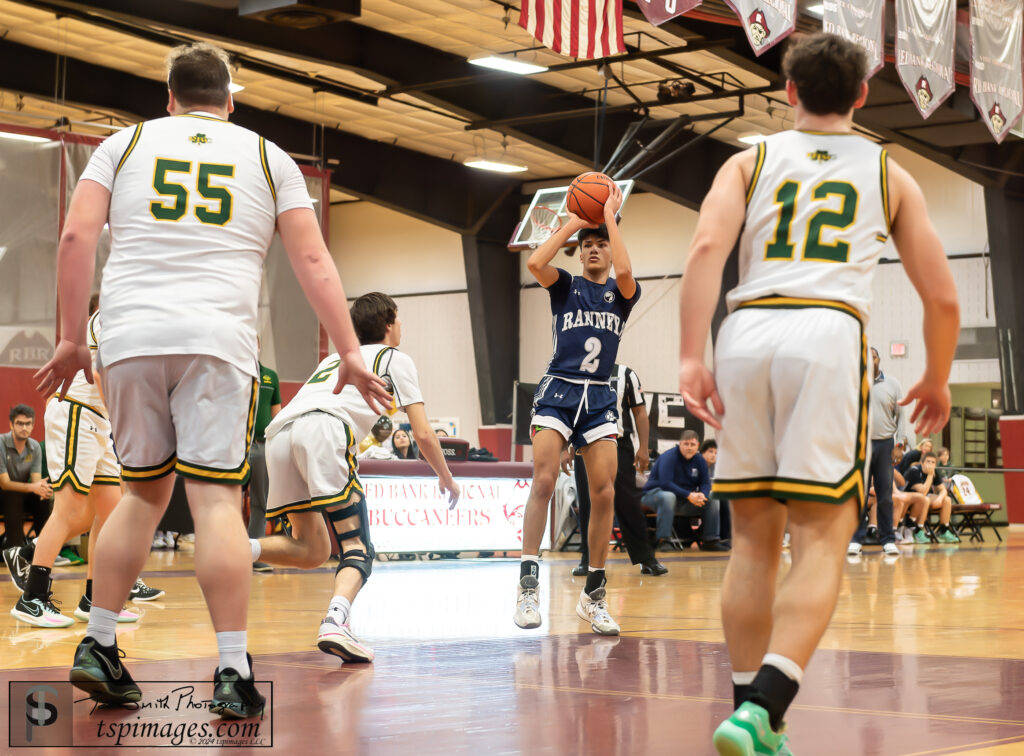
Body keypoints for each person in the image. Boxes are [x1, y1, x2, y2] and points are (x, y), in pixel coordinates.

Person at [35, 41, 390, 716]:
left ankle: (99, 643)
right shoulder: (266, 155)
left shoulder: (123, 146)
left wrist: (70, 339)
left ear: (167, 97)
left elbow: (76, 238)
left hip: (129, 334)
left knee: (140, 496)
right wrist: (347, 350)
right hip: (217, 344)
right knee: (216, 505)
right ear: (231, 100)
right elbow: (312, 258)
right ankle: (230, 670)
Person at [677, 33, 959, 755]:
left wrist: (690, 357)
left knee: (752, 543)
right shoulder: (890, 171)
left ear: (789, 91)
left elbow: (707, 250)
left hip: (745, 332)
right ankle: (764, 706)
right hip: (828, 336)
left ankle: (755, 716)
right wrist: (935, 375)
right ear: (863, 94)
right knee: (823, 539)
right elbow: (943, 298)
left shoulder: (751, 159)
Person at [250, 292, 459, 662]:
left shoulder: (334, 358)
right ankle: (335, 621)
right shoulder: (395, 358)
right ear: (391, 321)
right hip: (323, 431)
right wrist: (446, 477)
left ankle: (239, 550)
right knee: (358, 549)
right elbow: (423, 433)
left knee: (314, 549)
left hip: (279, 437)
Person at [514, 183, 639, 636]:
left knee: (604, 491)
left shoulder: (623, 293)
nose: (593, 249)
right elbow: (534, 262)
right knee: (544, 479)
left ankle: (595, 594)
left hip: (600, 395)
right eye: (586, 246)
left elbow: (625, 269)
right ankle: (528, 584)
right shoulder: (564, 286)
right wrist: (576, 221)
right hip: (559, 391)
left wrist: (607, 218)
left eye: (600, 244)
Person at [6, 297, 164, 629]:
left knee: (109, 512)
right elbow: (99, 373)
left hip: (98, 419)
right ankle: (32, 597)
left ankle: (95, 598)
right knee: (69, 509)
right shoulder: (112, 315)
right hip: (79, 412)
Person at [569, 362, 667, 577]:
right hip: (585, 443)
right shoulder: (576, 371)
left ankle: (646, 558)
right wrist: (565, 445)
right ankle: (588, 558)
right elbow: (569, 412)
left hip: (619, 443)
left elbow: (639, 412)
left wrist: (642, 447)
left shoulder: (626, 374)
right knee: (587, 501)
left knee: (628, 502)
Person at [848, 347, 912, 557]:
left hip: (886, 445)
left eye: (872, 356)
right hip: (860, 445)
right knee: (859, 494)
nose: (869, 360)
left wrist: (899, 446)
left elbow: (901, 417)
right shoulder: (854, 383)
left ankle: (887, 540)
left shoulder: (892, 384)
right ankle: (855, 539)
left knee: (885, 495)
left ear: (878, 359)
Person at [641, 431, 725, 551]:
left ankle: (710, 540)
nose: (689, 448)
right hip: (653, 496)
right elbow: (666, 483)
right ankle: (663, 540)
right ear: (680, 444)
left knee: (712, 498)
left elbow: (705, 483)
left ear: (698, 445)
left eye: (692, 444)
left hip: (682, 500)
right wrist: (689, 495)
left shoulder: (699, 460)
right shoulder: (668, 457)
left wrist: (702, 494)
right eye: (686, 444)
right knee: (668, 496)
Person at [1, 405, 51, 548]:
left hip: (19, 493)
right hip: (2, 494)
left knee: (42, 497)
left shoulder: (34, 447)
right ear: (11, 425)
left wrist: (42, 487)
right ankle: (15, 550)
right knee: (12, 495)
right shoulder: (1, 444)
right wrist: (34, 486)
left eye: (28, 423)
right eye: (20, 423)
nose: (24, 427)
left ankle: (43, 548)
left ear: (32, 425)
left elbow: (36, 480)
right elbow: (5, 484)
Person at [248, 355, 281, 573]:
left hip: (261, 446)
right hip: (235, 448)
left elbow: (276, 413)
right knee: (224, 502)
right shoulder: (236, 372)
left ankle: (253, 555)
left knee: (260, 502)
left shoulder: (270, 376)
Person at [904, 451, 959, 543]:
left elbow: (943, 490)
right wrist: (930, 475)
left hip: (924, 498)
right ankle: (918, 531)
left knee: (947, 500)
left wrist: (939, 499)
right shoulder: (914, 471)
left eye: (933, 462)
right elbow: (923, 492)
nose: (930, 464)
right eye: (928, 461)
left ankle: (944, 531)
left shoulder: (935, 472)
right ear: (922, 463)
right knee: (925, 499)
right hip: (909, 499)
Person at [701, 438, 730, 545]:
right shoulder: (697, 464)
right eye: (710, 451)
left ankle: (726, 537)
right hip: (699, 495)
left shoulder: (717, 467)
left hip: (714, 493)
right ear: (702, 452)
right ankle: (715, 538)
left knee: (727, 499)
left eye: (716, 453)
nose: (714, 455)